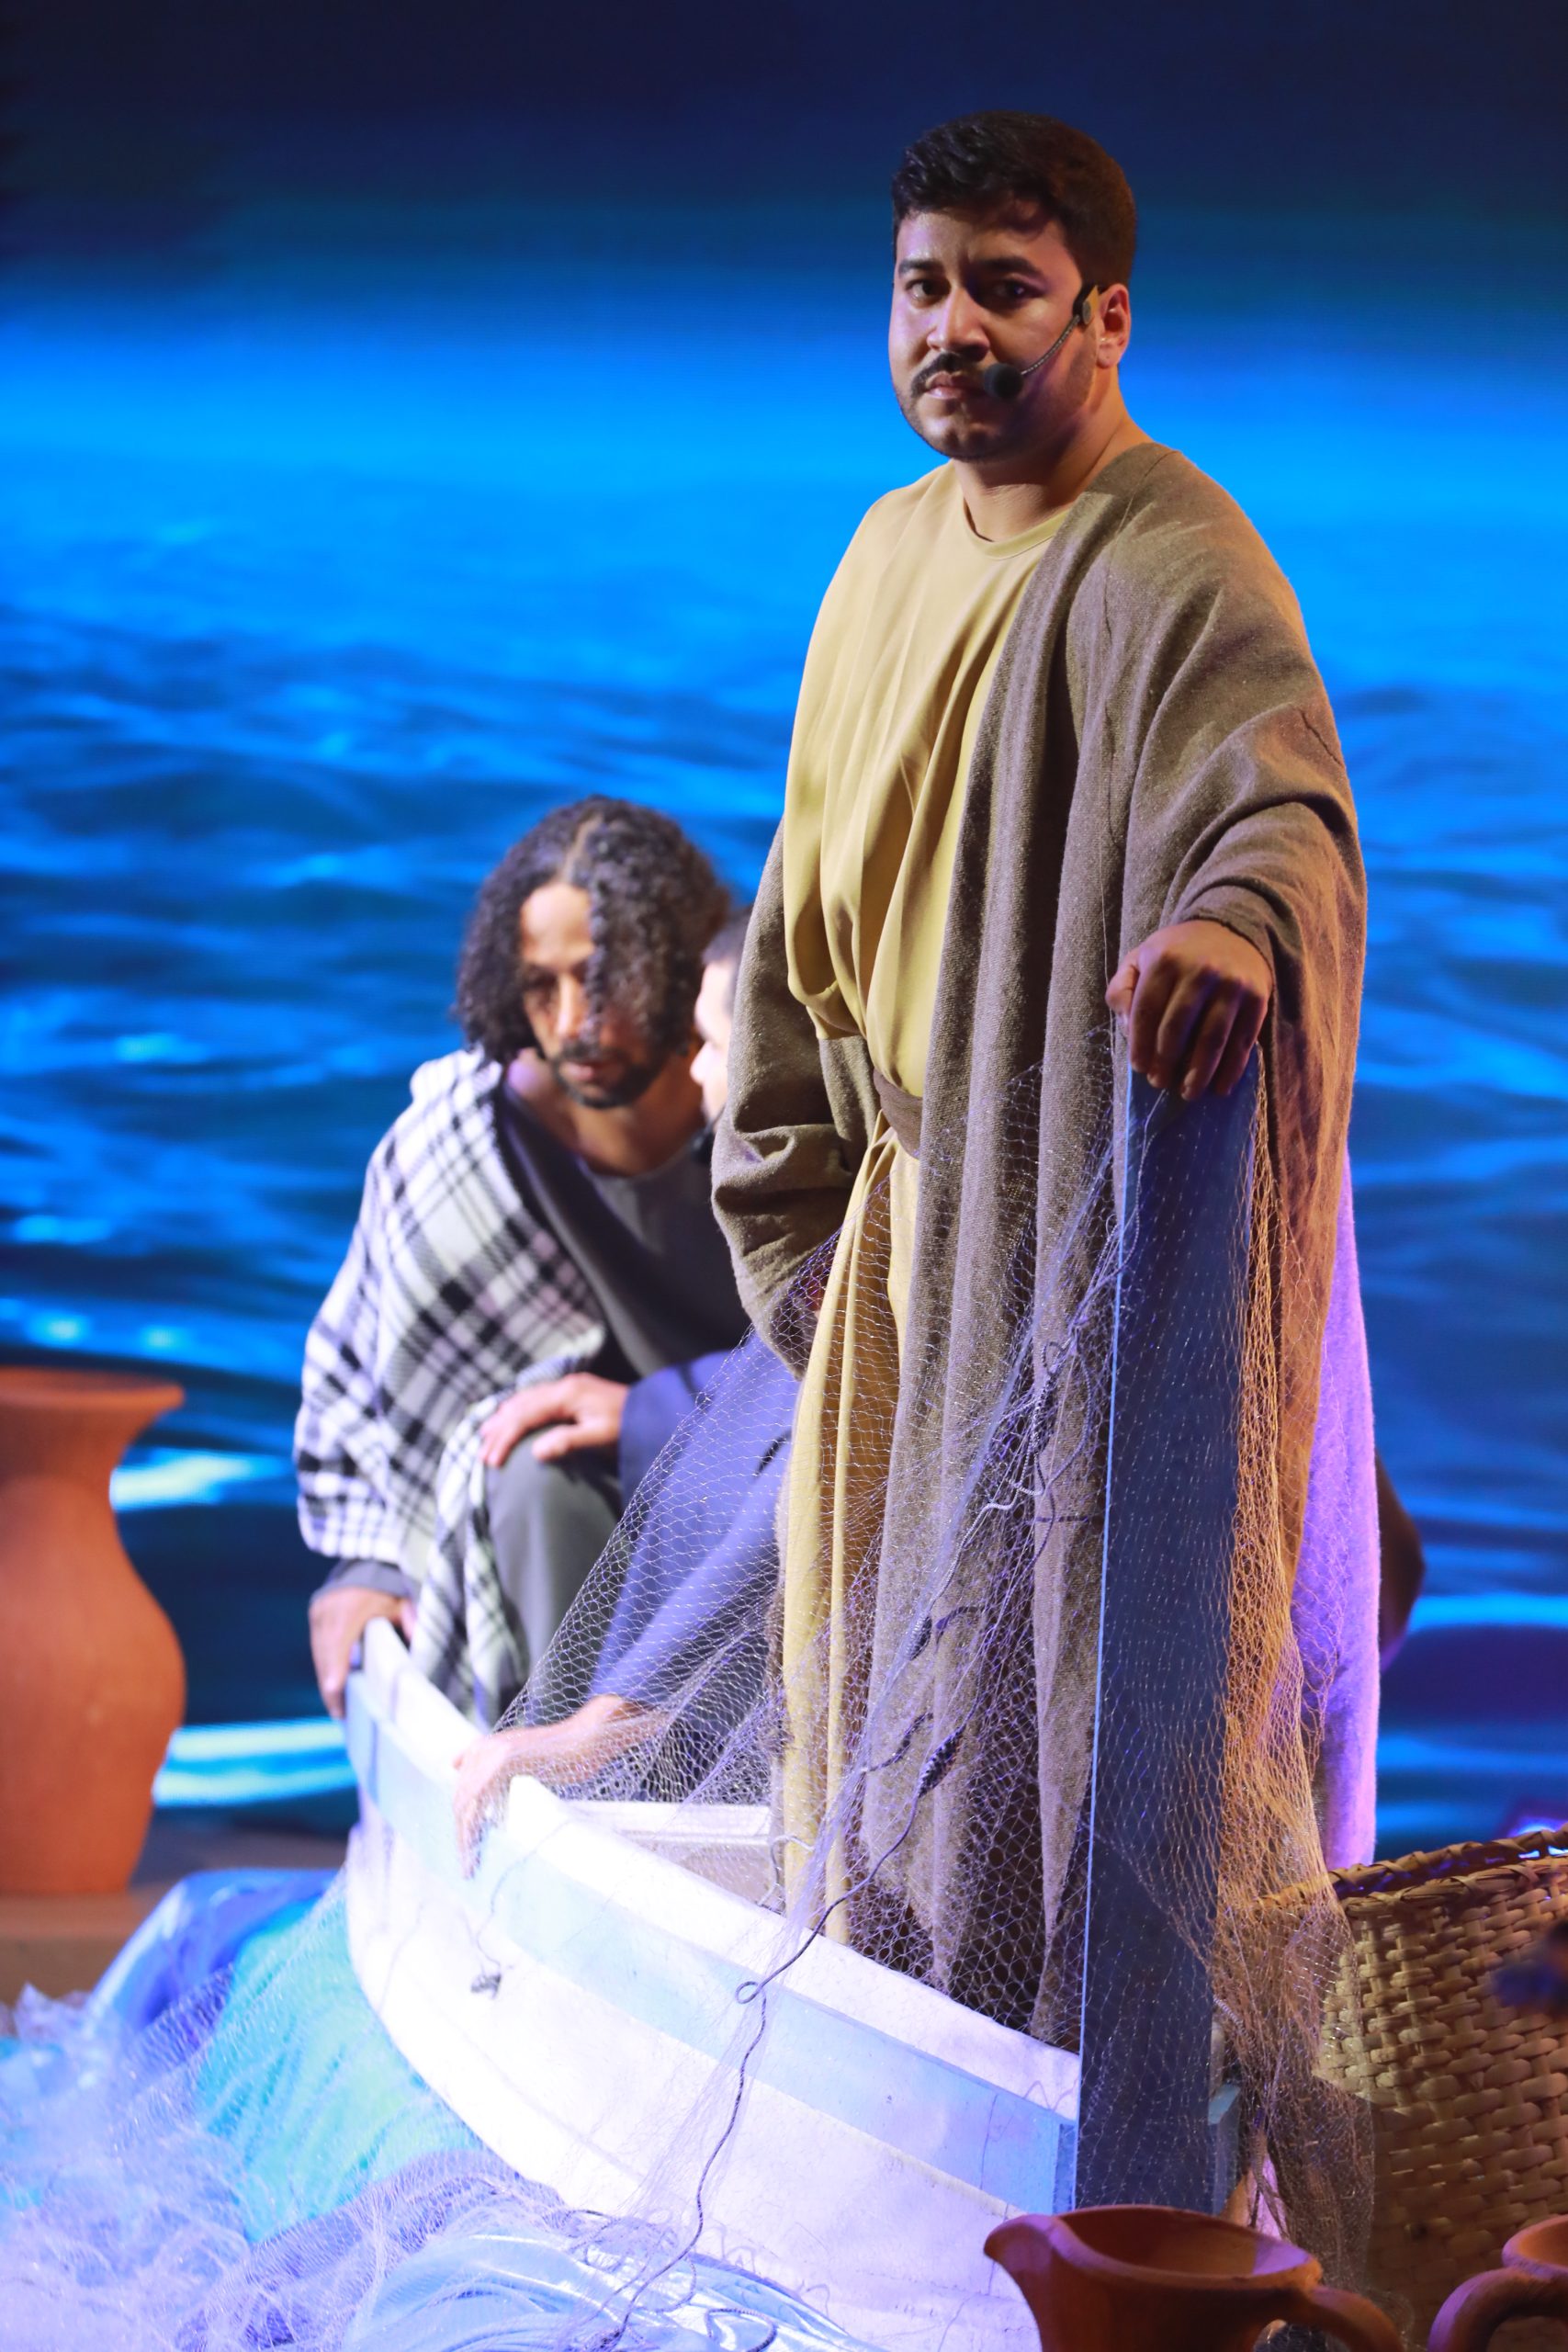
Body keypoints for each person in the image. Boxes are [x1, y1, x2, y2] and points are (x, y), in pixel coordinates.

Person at [712, 113, 1378, 2032]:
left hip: (1072, 1258)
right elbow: (803, 890)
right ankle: (905, 2081)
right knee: (881, 1713)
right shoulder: (882, 549)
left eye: (1002, 289)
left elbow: (1280, 809)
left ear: (1103, 316)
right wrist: (799, 1212)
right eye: (919, 287)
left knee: (1068, 1711)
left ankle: (1101, 2121)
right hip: (905, 1234)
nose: (951, 329)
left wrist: (1233, 930)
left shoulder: (1172, 558)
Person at [298, 797, 747, 1726]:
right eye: (543, 986)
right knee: (535, 1470)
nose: (575, 1022)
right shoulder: (466, 1140)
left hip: (749, 1459)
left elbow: (850, 1348)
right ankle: (556, 1776)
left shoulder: (759, 1111)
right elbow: (365, 1362)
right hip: (578, 1493)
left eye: (605, 980)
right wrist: (371, 1561)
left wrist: (659, 1410)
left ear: (678, 967)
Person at [452, 910, 797, 1862]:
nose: (697, 1072)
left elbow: (800, 1481)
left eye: (712, 1043)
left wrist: (599, 1727)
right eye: (542, 986)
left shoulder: (842, 1227)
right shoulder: (477, 1128)